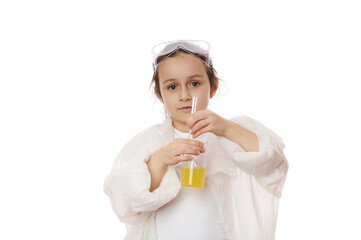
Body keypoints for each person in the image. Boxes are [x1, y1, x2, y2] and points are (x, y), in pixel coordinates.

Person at [103, 40, 289, 240]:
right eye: (172, 87)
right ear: (160, 93)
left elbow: (273, 164)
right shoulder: (146, 144)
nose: (184, 95)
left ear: (213, 86)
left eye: (194, 83)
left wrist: (226, 128)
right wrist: (160, 159)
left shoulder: (231, 133)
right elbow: (125, 203)